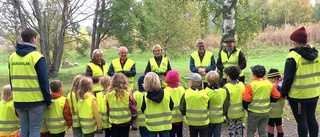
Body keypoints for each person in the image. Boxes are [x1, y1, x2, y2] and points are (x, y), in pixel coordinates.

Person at [9, 28, 51, 137]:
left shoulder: (12, 57)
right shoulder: (37, 57)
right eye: (36, 38)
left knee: (24, 129)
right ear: (33, 39)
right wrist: (48, 101)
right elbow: (44, 82)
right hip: (35, 100)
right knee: (35, 129)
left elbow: (11, 80)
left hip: (18, 100)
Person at [281, 26, 320, 137]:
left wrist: (283, 94)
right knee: (311, 118)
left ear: (297, 41)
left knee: (301, 121)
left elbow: (288, 78)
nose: (292, 42)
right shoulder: (317, 55)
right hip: (314, 93)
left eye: (293, 40)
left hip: (298, 95)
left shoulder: (293, 56)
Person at [243, 65, 281, 137]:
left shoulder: (251, 85)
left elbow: (246, 99)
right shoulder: (269, 84)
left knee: (251, 131)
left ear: (253, 74)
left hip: (254, 112)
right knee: (263, 132)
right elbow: (277, 96)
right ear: (264, 74)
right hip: (266, 112)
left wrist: (247, 108)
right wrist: (270, 100)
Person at [141, 72, 174, 137]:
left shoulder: (145, 97)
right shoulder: (167, 94)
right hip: (165, 124)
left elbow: (143, 109)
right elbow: (171, 106)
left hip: (152, 125)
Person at [107, 73, 137, 137]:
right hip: (125, 121)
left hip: (114, 121)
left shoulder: (109, 95)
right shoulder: (127, 94)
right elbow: (132, 107)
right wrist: (134, 116)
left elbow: (107, 108)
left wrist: (108, 116)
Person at [223, 66, 245, 137]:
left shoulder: (226, 87)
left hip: (230, 113)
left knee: (231, 130)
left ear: (228, 76)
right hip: (240, 112)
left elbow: (226, 102)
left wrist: (224, 113)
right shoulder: (241, 85)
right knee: (239, 129)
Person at [205, 71, 227, 137]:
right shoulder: (223, 91)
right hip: (219, 117)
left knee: (208, 134)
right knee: (217, 133)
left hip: (209, 117)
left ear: (207, 80)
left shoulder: (206, 92)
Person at [164, 70, 185, 137]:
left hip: (170, 118)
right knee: (180, 134)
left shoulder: (165, 91)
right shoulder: (182, 89)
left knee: (171, 134)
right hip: (180, 117)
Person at [267, 69, 284, 137]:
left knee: (270, 129)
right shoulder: (282, 86)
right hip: (279, 112)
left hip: (271, 112)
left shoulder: (271, 87)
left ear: (272, 78)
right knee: (280, 128)